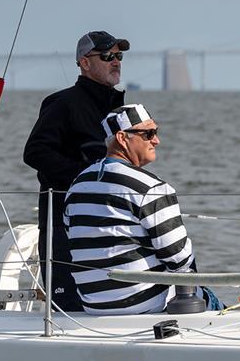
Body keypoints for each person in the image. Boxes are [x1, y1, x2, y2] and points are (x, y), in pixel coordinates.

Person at [64, 104, 217, 315]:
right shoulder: (151, 187)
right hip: (144, 304)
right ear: (122, 137)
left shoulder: (76, 186)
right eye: (148, 134)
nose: (156, 140)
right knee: (208, 298)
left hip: (93, 305)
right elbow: (179, 257)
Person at [24, 31, 129, 311]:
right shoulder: (63, 103)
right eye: (107, 56)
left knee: (107, 303)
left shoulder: (118, 107)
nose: (116, 61)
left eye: (119, 56)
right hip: (63, 222)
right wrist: (85, 180)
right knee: (67, 307)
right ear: (84, 62)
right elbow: (35, 152)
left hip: (109, 224)